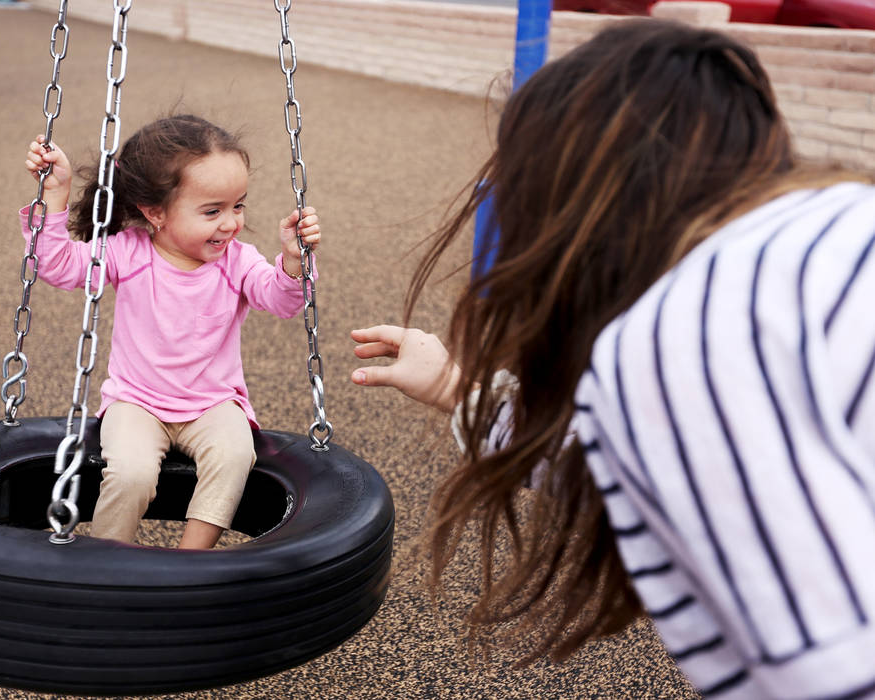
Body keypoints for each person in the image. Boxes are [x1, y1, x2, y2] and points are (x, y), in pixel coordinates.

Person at [352, 18, 875, 699]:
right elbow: (649, 464)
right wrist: (460, 387)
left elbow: (832, 675)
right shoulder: (831, 231)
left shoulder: (698, 321)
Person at [21, 114, 320, 549]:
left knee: (236, 454)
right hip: (137, 402)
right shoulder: (128, 252)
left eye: (238, 205)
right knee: (130, 472)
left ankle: (189, 560)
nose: (230, 223)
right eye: (212, 211)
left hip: (213, 403)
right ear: (155, 212)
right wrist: (55, 193)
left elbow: (282, 300)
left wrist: (293, 261)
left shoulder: (238, 260)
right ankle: (106, 560)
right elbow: (57, 266)